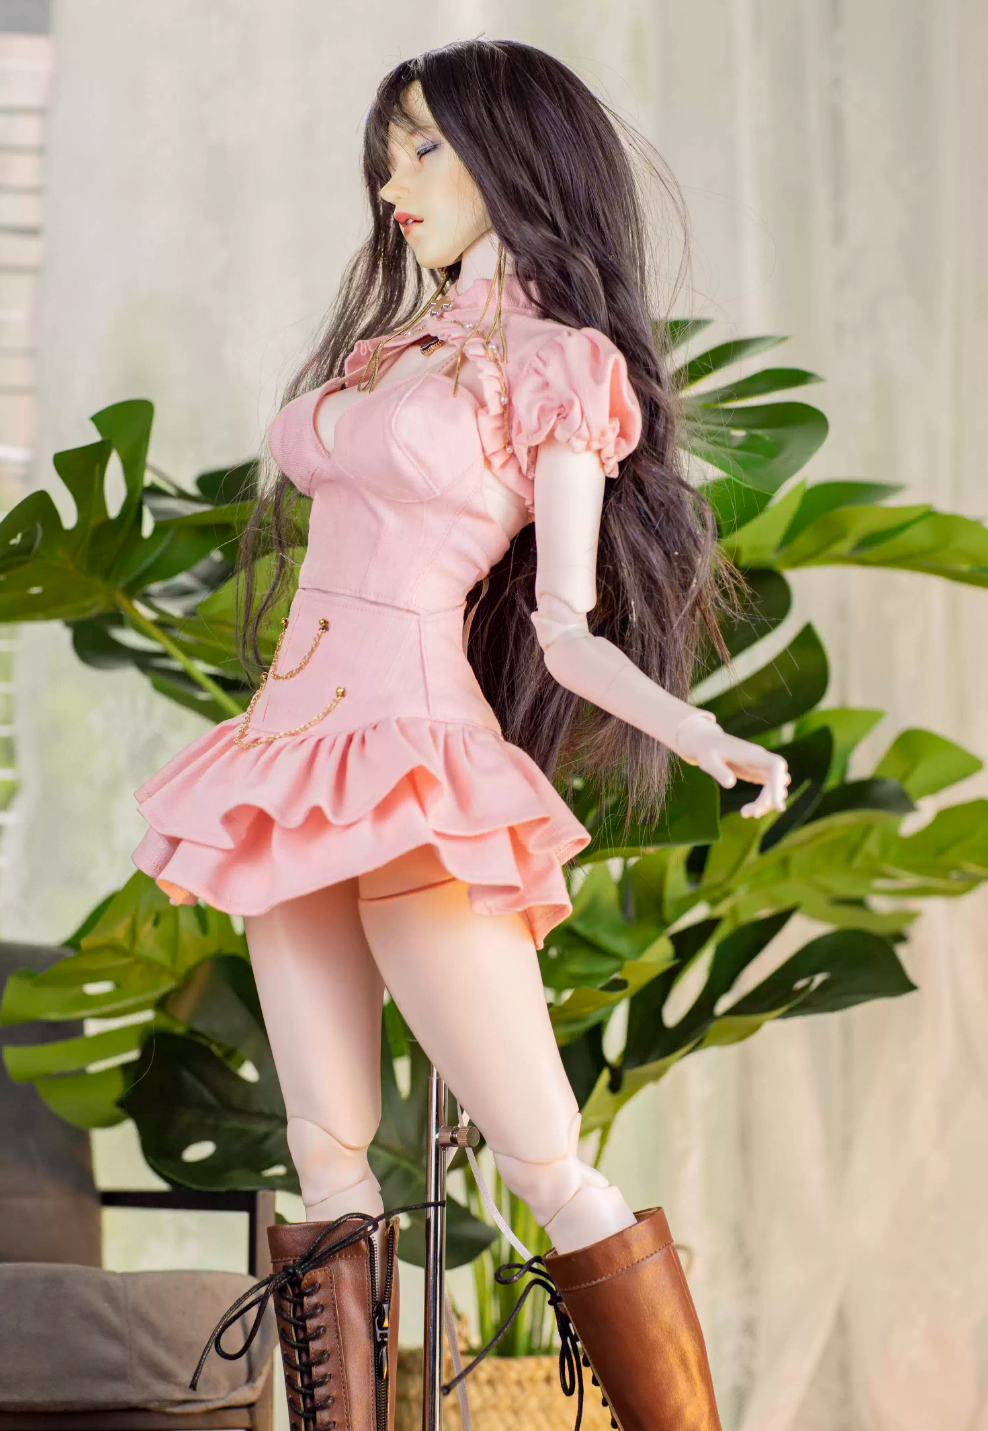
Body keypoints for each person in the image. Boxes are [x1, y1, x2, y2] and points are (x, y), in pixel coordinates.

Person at [144, 39, 790, 1431]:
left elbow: (565, 630)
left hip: (418, 766)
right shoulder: (393, 352)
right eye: (388, 154)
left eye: (427, 147)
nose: (396, 182)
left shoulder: (559, 369)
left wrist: (697, 731)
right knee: (325, 1163)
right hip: (288, 768)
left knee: (547, 1161)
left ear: (517, 153)